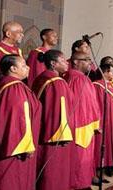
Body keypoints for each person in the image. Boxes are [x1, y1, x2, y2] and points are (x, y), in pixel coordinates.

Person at [0, 54, 41, 190]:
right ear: (13, 68)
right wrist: (24, 145)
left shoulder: (3, 82)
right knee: (8, 182)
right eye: (24, 65)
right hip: (9, 146)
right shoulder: (14, 87)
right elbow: (18, 118)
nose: (28, 68)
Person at [32, 50, 73, 190]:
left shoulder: (41, 77)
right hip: (53, 136)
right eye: (63, 60)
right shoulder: (57, 82)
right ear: (53, 64)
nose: (67, 62)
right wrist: (62, 135)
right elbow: (57, 112)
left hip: (39, 129)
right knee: (53, 173)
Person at [63, 51, 100, 190]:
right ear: (75, 62)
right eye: (86, 60)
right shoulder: (79, 79)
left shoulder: (73, 76)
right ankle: (80, 186)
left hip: (79, 125)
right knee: (80, 159)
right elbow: (82, 107)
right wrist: (92, 124)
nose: (89, 62)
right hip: (81, 126)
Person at [93, 63, 113, 183]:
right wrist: (98, 123)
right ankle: (94, 173)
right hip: (103, 121)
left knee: (107, 147)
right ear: (105, 72)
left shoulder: (111, 86)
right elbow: (96, 105)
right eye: (111, 71)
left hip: (112, 122)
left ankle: (102, 172)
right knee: (99, 147)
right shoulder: (97, 85)